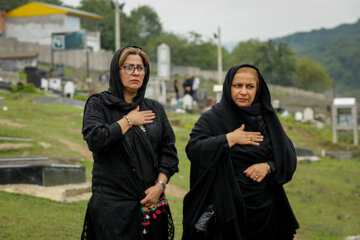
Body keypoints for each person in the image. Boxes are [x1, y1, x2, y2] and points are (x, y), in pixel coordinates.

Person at [182, 64, 299, 240]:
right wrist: (229, 139)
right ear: (228, 87)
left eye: (249, 86)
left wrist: (268, 167)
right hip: (224, 211)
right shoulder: (212, 119)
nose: (243, 92)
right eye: (238, 86)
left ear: (258, 90)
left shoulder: (266, 119)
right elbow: (194, 149)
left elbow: (287, 157)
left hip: (266, 214)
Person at [81, 46, 179, 240]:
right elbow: (96, 139)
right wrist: (129, 121)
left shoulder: (154, 108)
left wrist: (159, 185)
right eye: (128, 67)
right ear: (116, 71)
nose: (135, 72)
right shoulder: (99, 104)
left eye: (140, 68)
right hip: (112, 206)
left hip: (150, 203)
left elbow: (168, 152)